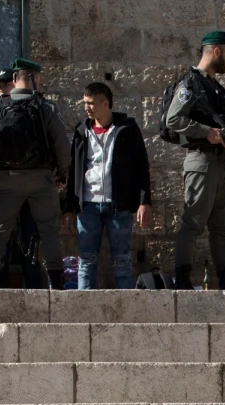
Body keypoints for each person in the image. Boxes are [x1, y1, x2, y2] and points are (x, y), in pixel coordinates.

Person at [0, 57, 70, 289]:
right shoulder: (46, 107)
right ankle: (55, 285)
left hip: (7, 180)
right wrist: (61, 175)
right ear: (35, 78)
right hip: (41, 179)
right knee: (48, 230)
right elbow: (63, 147)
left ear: (15, 79)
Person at [164, 30, 225, 290]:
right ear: (216, 51)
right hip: (202, 161)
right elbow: (173, 119)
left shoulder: (214, 86)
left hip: (222, 162)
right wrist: (207, 132)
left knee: (222, 228)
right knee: (194, 222)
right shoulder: (190, 84)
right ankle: (183, 280)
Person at [62, 81, 153, 289]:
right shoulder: (81, 132)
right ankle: (85, 311)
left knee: (122, 261)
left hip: (118, 205)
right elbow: (74, 170)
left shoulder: (127, 130)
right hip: (88, 205)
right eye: (85, 103)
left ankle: (127, 312)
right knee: (86, 261)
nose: (87, 107)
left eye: (91, 103)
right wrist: (69, 207)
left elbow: (141, 166)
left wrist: (144, 201)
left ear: (106, 104)